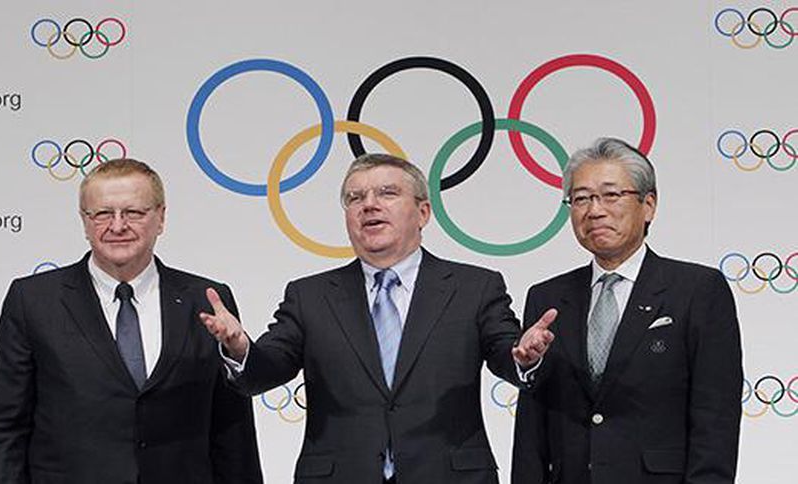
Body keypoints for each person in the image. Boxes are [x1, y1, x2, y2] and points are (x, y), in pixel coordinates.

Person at [201, 153, 556, 484]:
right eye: (355, 198)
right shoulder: (309, 296)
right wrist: (240, 349)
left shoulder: (474, 287)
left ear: (423, 213)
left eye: (387, 193)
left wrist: (525, 358)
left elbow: (505, 353)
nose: (369, 204)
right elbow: (268, 368)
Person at [0, 159, 263, 484]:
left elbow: (233, 429)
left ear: (161, 218)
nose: (117, 226)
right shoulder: (33, 301)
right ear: (84, 221)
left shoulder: (207, 299)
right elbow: (5, 426)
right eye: (102, 214)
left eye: (134, 213)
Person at [512, 138, 743, 484]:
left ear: (648, 205)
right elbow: (532, 423)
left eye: (611, 195)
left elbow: (716, 418)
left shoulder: (698, 290)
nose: (595, 210)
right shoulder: (547, 297)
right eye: (581, 198)